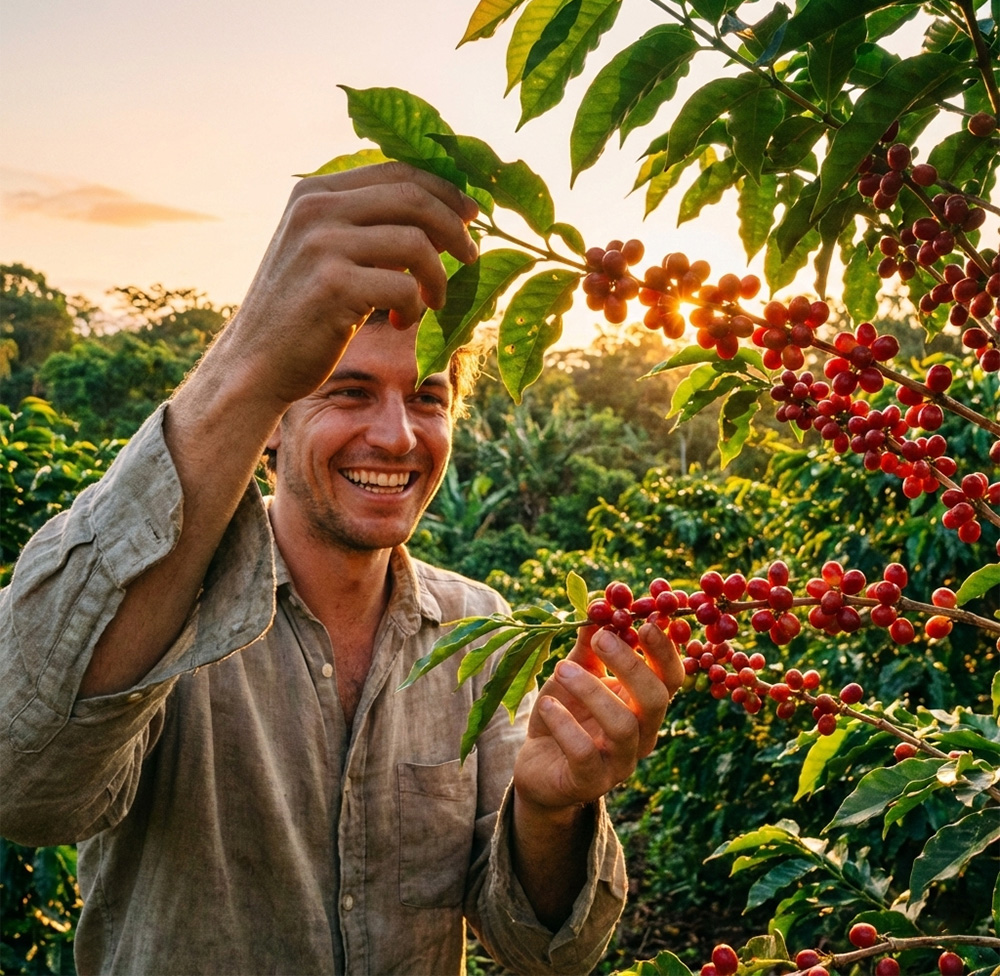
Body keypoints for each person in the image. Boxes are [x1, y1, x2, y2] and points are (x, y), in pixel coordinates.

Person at [0, 162, 684, 976]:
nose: (396, 436)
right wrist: (248, 356)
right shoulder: (167, 608)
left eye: (428, 398)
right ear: (274, 421)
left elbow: (538, 948)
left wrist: (548, 809)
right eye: (348, 391)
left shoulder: (477, 625)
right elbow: (23, 781)